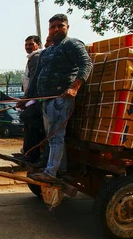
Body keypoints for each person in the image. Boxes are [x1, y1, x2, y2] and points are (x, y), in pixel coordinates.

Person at [27, 14, 92, 183]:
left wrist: (74, 87)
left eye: (59, 26)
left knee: (55, 137)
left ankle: (50, 172)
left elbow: (87, 64)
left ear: (67, 27)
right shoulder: (46, 52)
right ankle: (58, 168)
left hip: (60, 99)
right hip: (46, 100)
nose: (56, 29)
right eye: (52, 27)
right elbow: (36, 77)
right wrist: (26, 98)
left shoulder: (72, 44)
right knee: (50, 137)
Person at [17, 35, 45, 164]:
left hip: (37, 99)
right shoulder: (32, 58)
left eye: (31, 44)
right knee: (27, 121)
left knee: (27, 118)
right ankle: (28, 152)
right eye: (26, 45)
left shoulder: (36, 57)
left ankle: (32, 154)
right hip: (33, 98)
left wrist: (25, 98)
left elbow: (34, 79)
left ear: (38, 45)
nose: (28, 47)